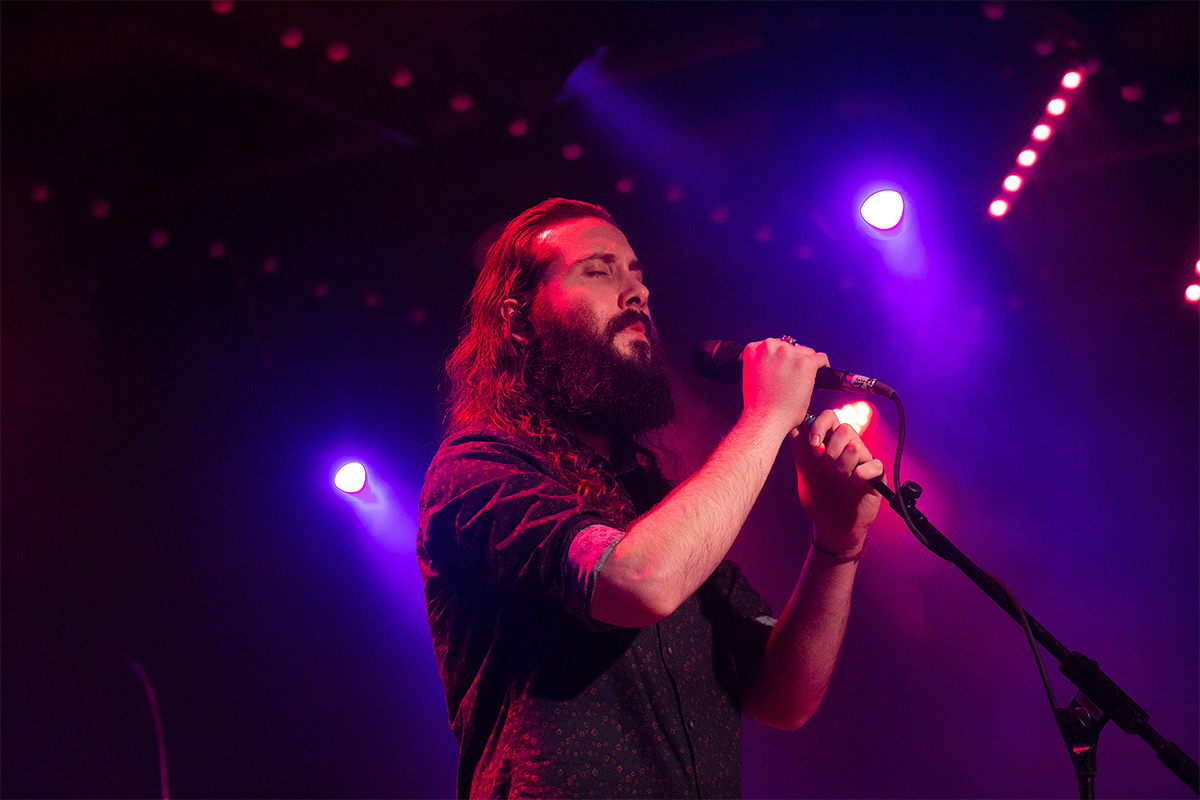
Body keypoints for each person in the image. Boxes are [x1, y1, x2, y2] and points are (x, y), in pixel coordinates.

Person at [417, 198, 884, 798]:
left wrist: (836, 544)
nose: (636, 292)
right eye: (599, 270)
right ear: (517, 318)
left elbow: (783, 694)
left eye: (638, 274)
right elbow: (640, 581)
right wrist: (766, 416)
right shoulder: (477, 470)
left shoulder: (649, 498)